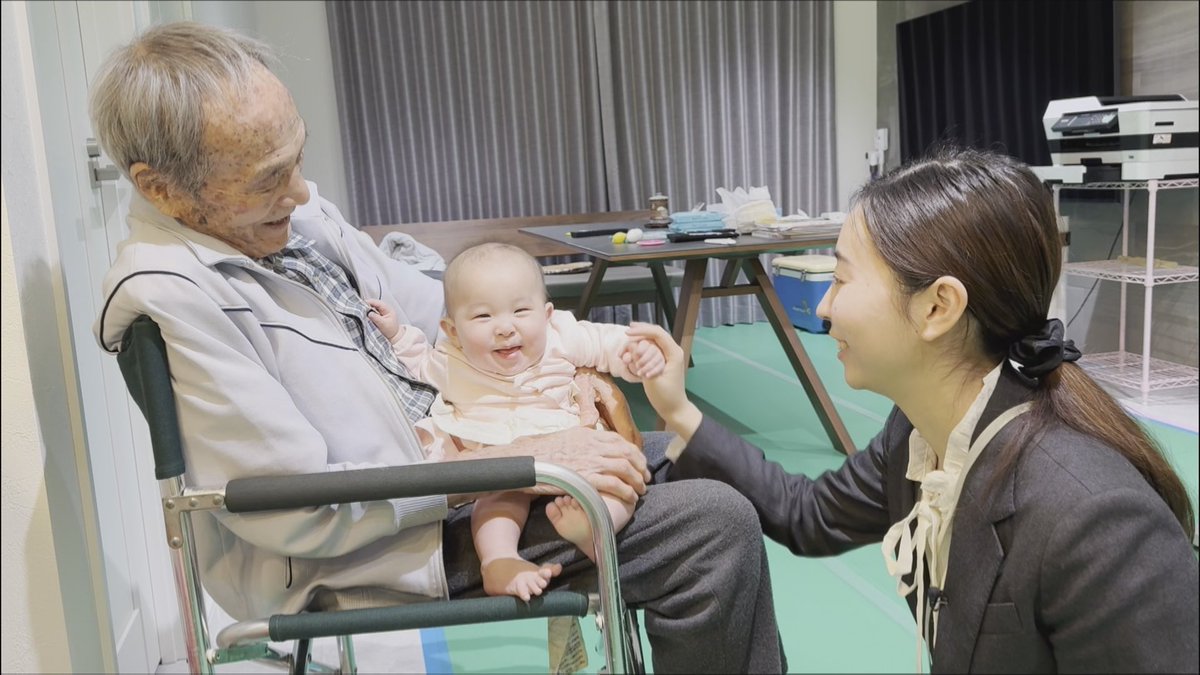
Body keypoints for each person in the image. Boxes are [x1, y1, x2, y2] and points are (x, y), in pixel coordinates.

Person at [88, 21, 784, 673]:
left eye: (296, 156)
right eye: (269, 178)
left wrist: (554, 360)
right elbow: (297, 507)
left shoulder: (285, 222)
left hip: (469, 448)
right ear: (164, 190)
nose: (302, 192)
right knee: (710, 528)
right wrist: (525, 459)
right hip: (390, 538)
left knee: (705, 461)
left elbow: (441, 311)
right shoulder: (177, 297)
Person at [630, 147, 1199, 673]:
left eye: (843, 277)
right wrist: (678, 410)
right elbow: (807, 515)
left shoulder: (1096, 522)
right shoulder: (922, 433)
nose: (824, 306)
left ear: (937, 306)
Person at [366, 242, 666, 601]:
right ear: (453, 329)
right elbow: (416, 366)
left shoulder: (561, 336)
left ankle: (595, 532)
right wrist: (397, 334)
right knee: (496, 495)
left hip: (574, 447)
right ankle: (499, 560)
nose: (505, 328)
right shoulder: (451, 359)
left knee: (619, 472)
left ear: (547, 313)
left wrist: (636, 353)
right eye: (483, 317)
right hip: (497, 450)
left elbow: (606, 342)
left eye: (521, 310)